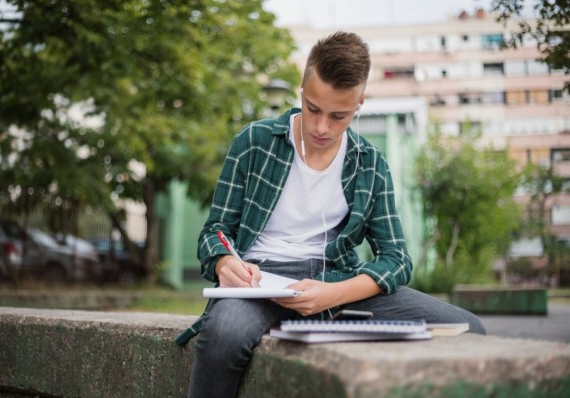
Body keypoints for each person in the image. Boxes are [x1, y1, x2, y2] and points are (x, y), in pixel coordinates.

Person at [176, 31, 485, 398]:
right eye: (313, 109)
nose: (322, 127)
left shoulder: (370, 163)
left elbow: (397, 259)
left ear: (359, 104)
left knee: (469, 328)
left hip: (338, 281)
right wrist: (226, 261)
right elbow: (215, 231)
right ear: (302, 92)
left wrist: (334, 294)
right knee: (222, 336)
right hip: (258, 282)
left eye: (339, 116)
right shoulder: (253, 142)